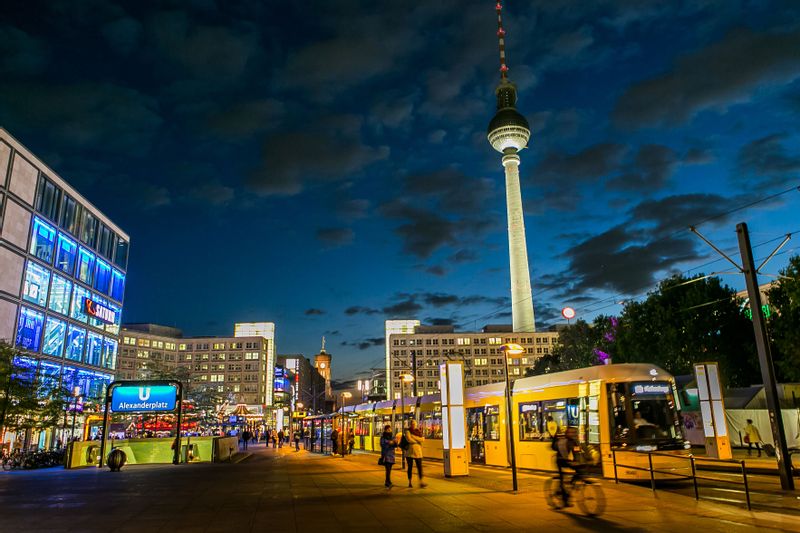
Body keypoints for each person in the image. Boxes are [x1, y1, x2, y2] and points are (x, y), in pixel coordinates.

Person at [554, 426, 580, 507]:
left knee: (579, 471)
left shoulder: (574, 441)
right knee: (562, 479)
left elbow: (577, 452)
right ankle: (565, 499)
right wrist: (572, 462)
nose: (572, 434)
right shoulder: (562, 441)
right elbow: (562, 452)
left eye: (574, 432)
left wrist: (578, 461)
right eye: (570, 432)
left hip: (566, 460)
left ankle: (570, 484)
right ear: (566, 433)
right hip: (560, 460)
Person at [404, 420, 426, 488]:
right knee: (410, 467)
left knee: (420, 467)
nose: (414, 425)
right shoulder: (407, 431)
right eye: (412, 424)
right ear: (410, 424)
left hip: (418, 452)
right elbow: (409, 440)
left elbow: (422, 439)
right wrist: (417, 440)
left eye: (415, 424)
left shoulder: (418, 431)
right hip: (409, 452)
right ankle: (410, 482)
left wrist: (413, 437)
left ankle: (421, 482)